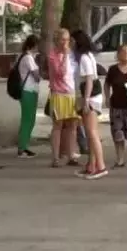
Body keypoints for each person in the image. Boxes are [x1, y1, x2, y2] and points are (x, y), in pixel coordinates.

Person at [72, 30, 107, 179]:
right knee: (90, 132)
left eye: (73, 41)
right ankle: (91, 165)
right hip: (90, 96)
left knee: (92, 133)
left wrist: (85, 100)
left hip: (91, 97)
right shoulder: (87, 57)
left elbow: (89, 80)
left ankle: (101, 165)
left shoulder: (85, 58)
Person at [46, 28, 80, 168]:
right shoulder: (52, 55)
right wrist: (65, 56)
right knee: (58, 126)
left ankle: (71, 155)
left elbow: (76, 72)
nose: (65, 43)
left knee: (72, 126)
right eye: (62, 39)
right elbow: (60, 73)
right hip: (59, 93)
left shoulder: (72, 54)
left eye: (67, 39)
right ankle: (55, 158)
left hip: (71, 93)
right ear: (57, 40)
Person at [14, 35, 42, 158]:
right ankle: (22, 148)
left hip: (30, 91)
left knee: (30, 120)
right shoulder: (28, 58)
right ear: (34, 45)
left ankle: (24, 146)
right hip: (28, 91)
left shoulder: (27, 57)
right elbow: (36, 76)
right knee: (27, 120)